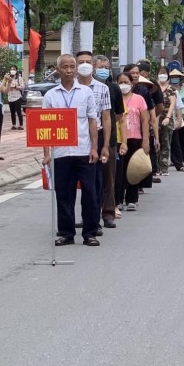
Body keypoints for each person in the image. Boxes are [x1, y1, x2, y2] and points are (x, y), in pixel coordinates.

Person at [42, 54, 100, 246]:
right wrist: (46, 154)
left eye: (71, 66)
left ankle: (90, 232)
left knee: (90, 193)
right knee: (64, 194)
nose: (69, 70)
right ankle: (66, 233)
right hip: (61, 153)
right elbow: (45, 126)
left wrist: (94, 148)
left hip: (83, 150)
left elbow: (93, 120)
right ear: (58, 70)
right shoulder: (51, 95)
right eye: (65, 67)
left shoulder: (85, 93)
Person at [76, 52, 111, 232]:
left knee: (94, 184)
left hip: (94, 139)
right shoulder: (68, 87)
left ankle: (93, 222)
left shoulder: (102, 88)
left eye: (88, 62)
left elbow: (106, 118)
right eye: (81, 62)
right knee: (71, 184)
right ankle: (73, 222)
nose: (84, 65)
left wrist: (104, 145)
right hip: (73, 139)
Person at [94, 55, 124, 227]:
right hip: (88, 140)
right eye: (100, 66)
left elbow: (118, 114)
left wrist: (108, 126)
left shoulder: (113, 88)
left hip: (109, 139)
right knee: (90, 179)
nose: (104, 69)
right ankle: (90, 213)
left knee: (108, 178)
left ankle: (108, 213)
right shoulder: (83, 88)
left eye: (106, 66)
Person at [117, 71, 150, 213]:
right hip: (118, 139)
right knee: (119, 172)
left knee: (133, 169)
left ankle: (131, 199)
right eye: (120, 82)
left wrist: (146, 140)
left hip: (135, 138)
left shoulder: (139, 99)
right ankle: (117, 200)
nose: (123, 85)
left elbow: (145, 121)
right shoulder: (115, 98)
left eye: (126, 82)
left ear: (132, 84)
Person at [6, 65, 25, 130]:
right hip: (10, 97)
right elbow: (6, 87)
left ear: (16, 70)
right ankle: (13, 125)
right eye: (11, 69)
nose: (12, 71)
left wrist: (16, 87)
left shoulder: (19, 78)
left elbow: (23, 87)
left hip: (17, 97)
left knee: (19, 111)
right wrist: (9, 87)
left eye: (14, 69)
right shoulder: (7, 78)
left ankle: (21, 125)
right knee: (12, 112)